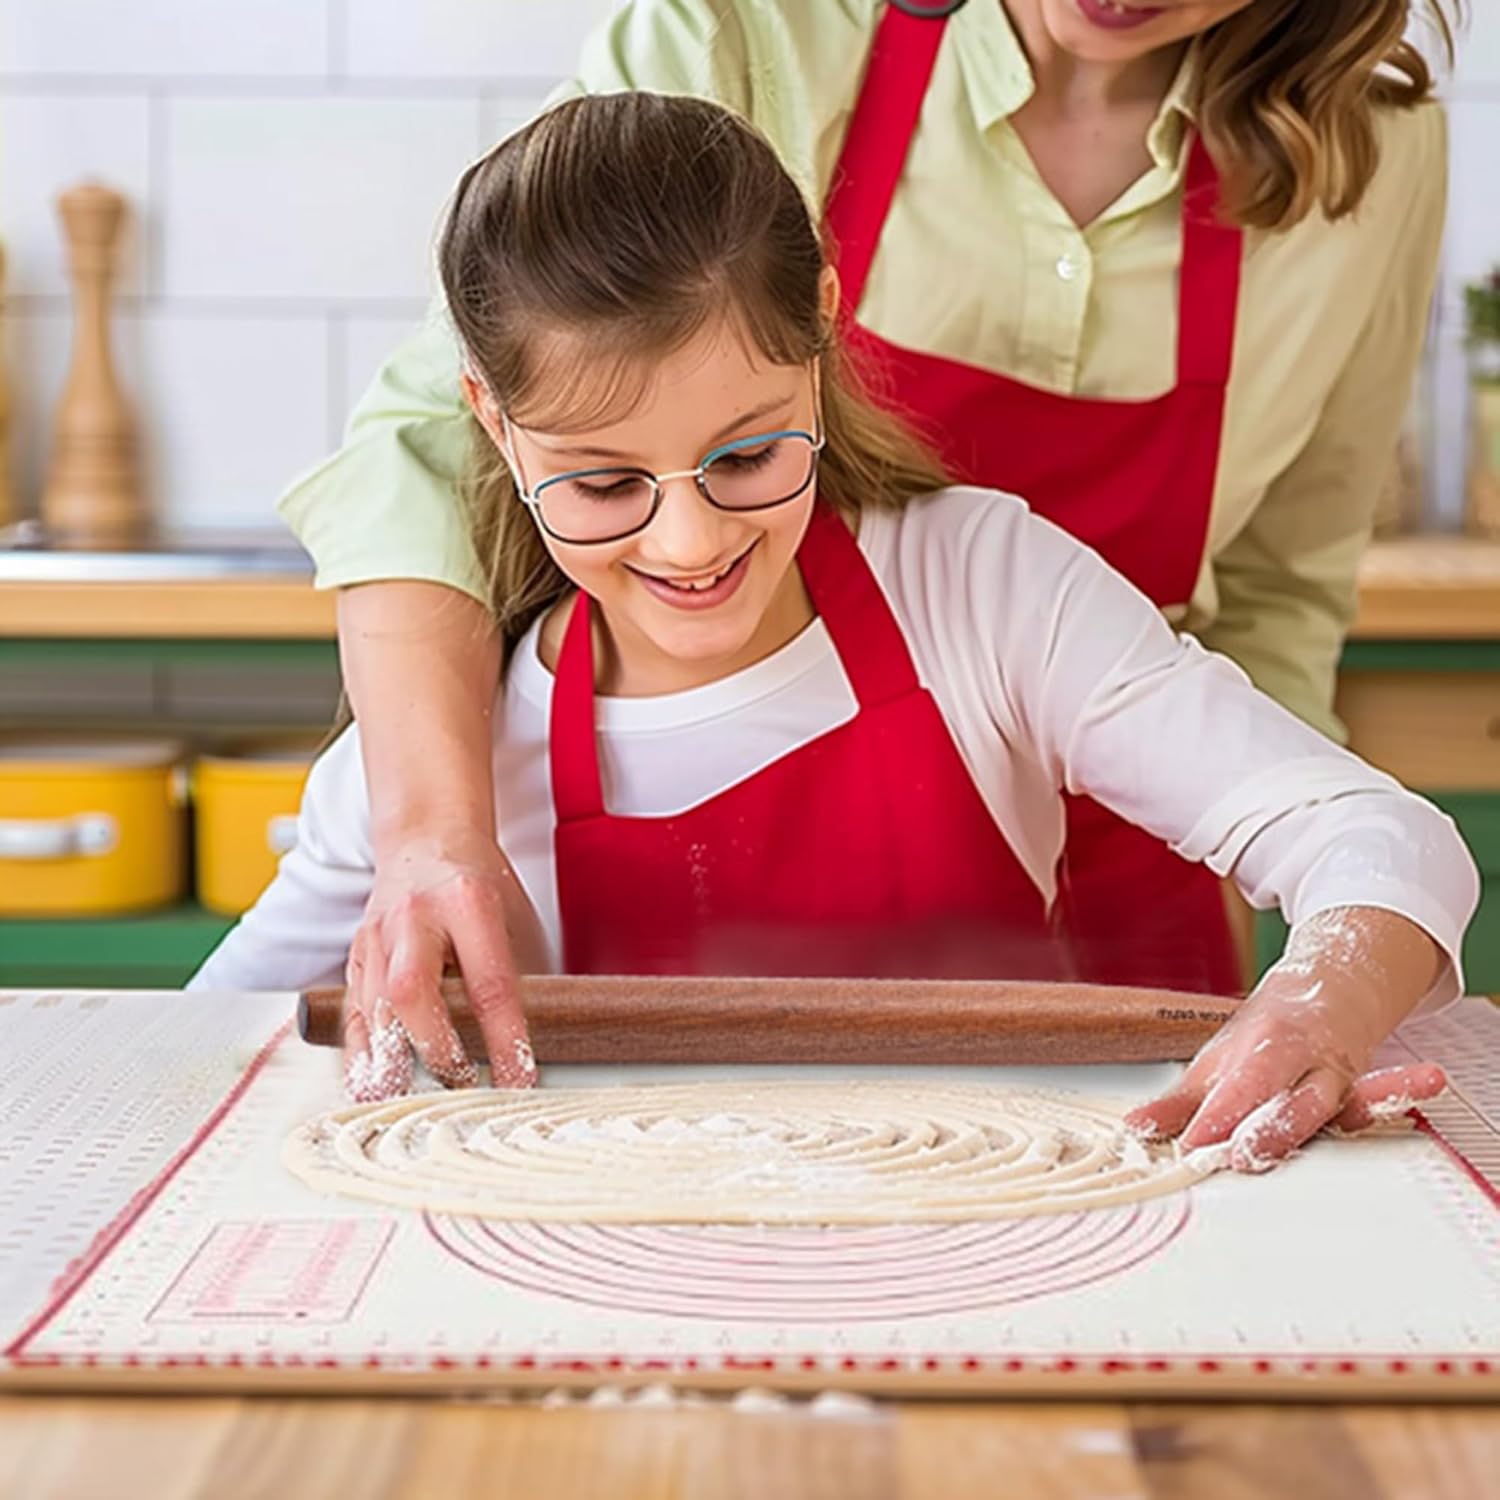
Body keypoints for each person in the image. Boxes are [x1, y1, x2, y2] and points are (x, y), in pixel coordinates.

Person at [193, 93, 1477, 1174]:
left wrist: (1322, 1002)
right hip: (614, 1308)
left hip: (1008, 1247)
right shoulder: (445, 759)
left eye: (748, 454)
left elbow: (1382, 841)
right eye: (603, 485)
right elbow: (195, 1052)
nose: (690, 545)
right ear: (488, 417)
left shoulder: (980, 588)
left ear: (820, 321)